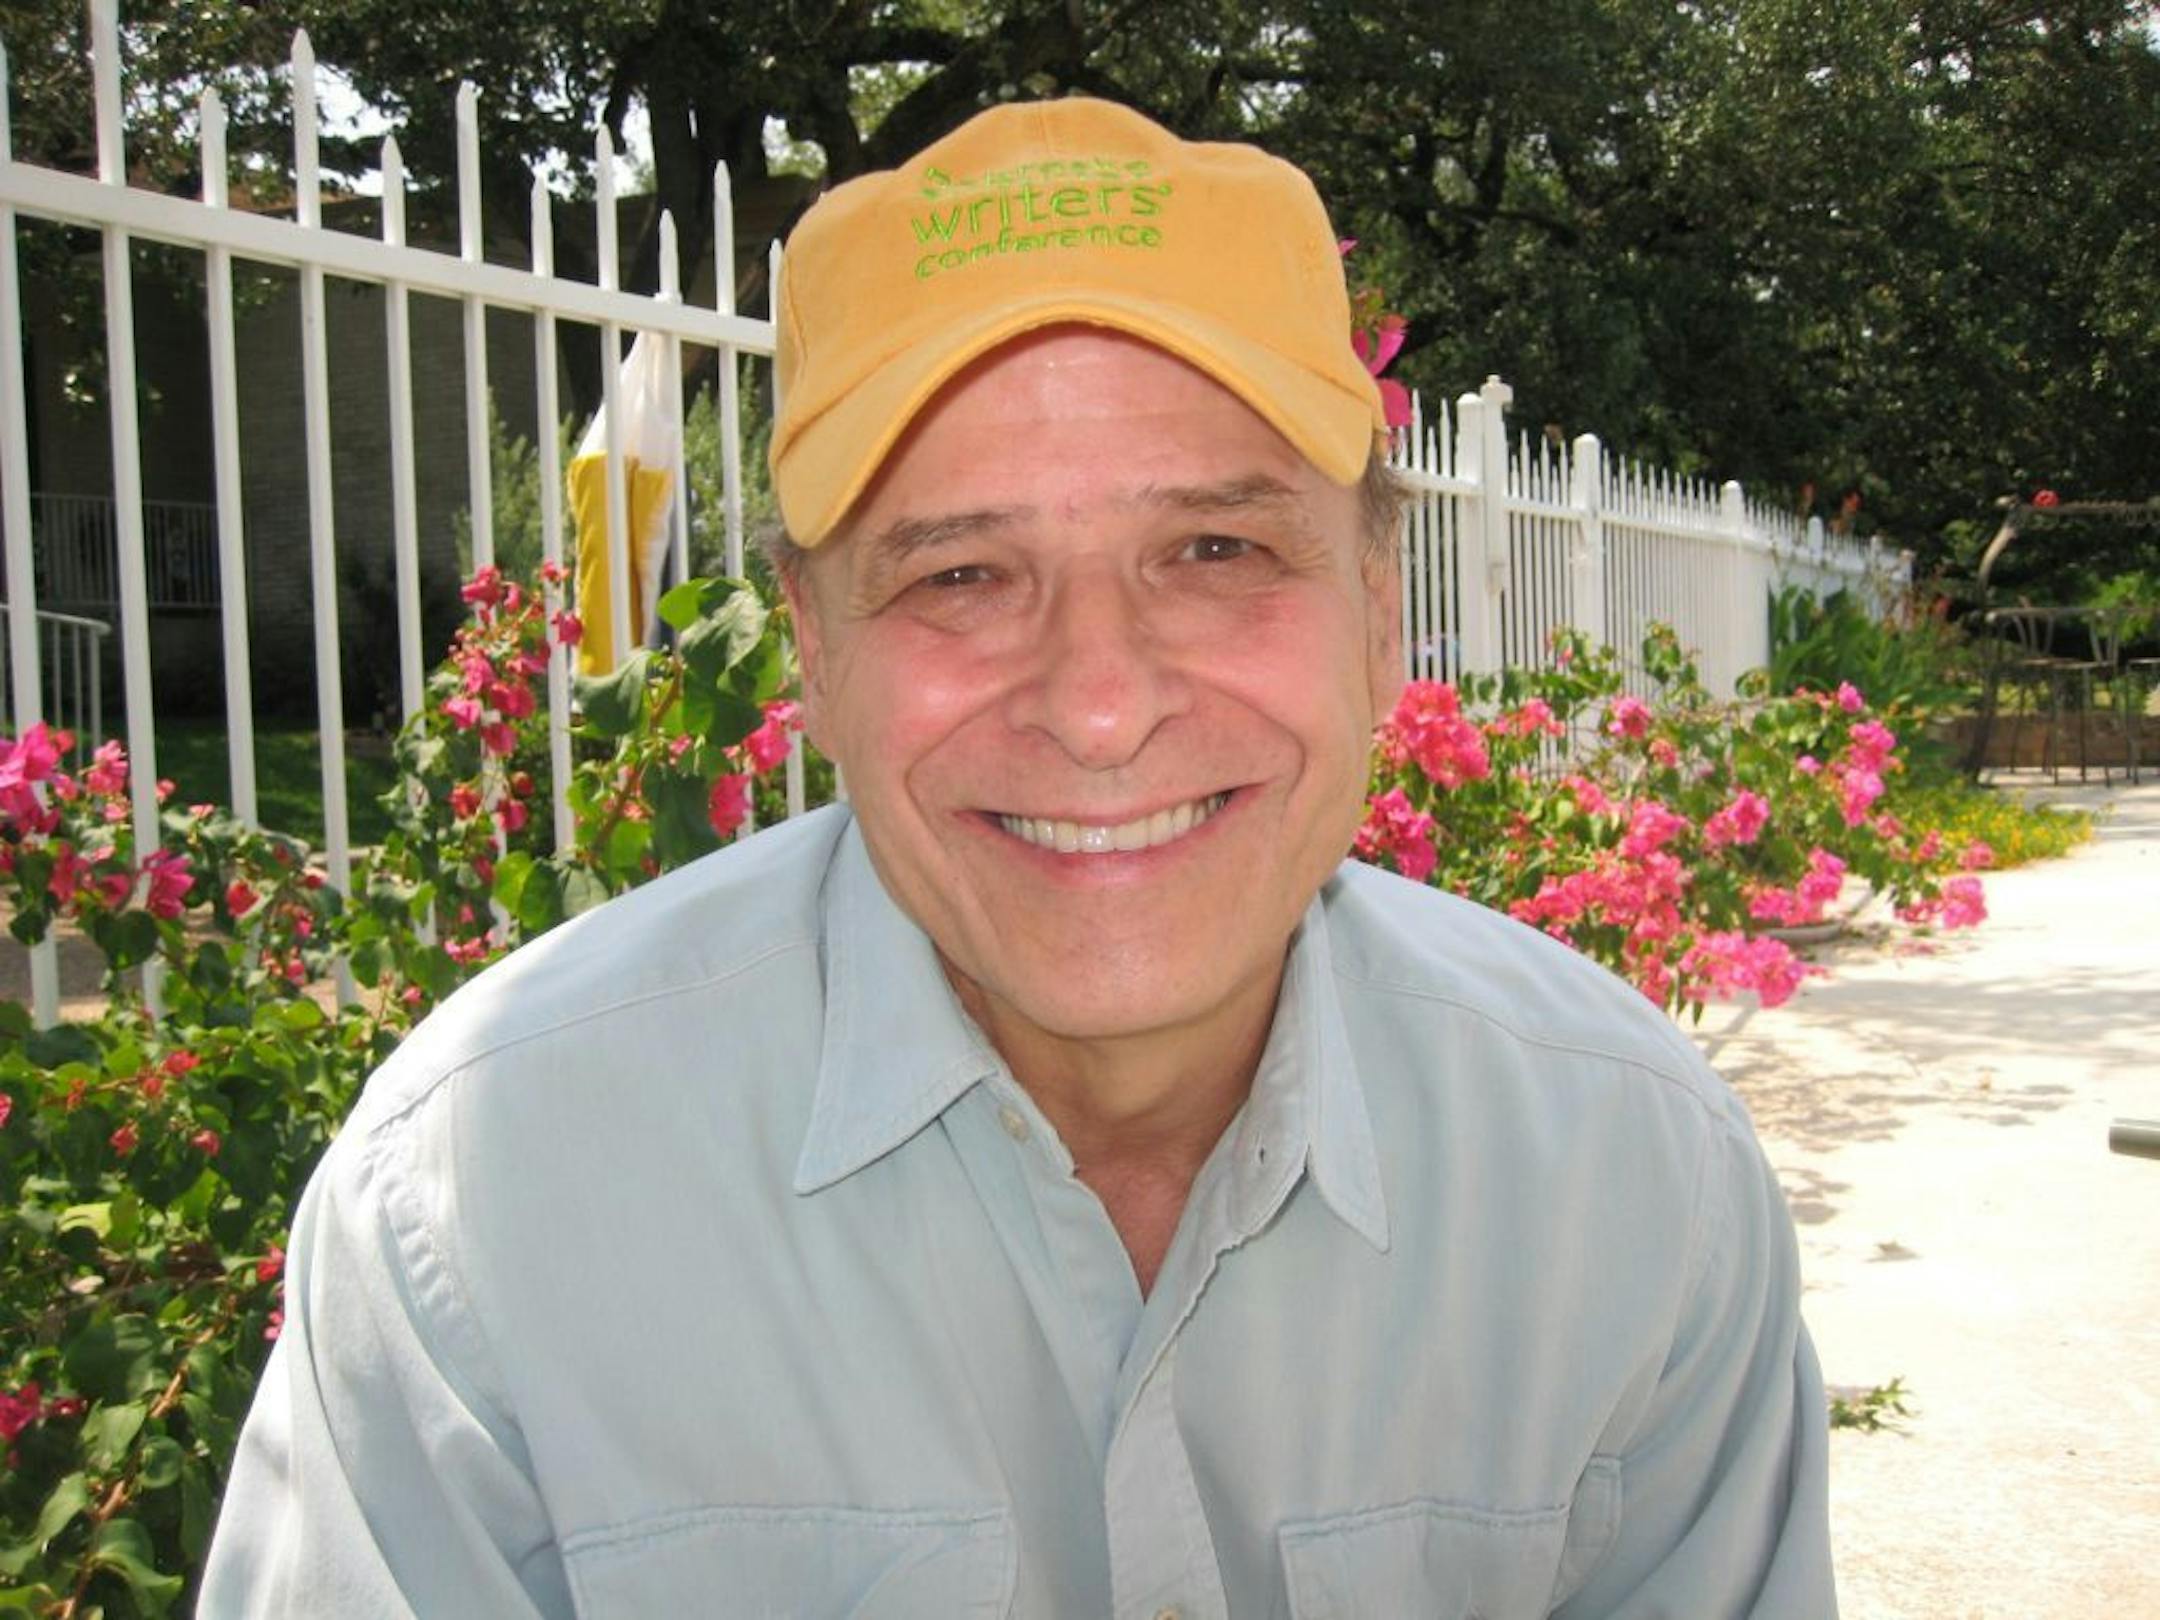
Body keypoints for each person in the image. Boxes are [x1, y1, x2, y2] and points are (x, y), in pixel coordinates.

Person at [201, 98, 1834, 1618]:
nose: (1103, 705)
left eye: (1215, 548)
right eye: (961, 575)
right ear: (814, 655)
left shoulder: (1634, 1190)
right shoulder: (480, 1211)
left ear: (1381, 610)